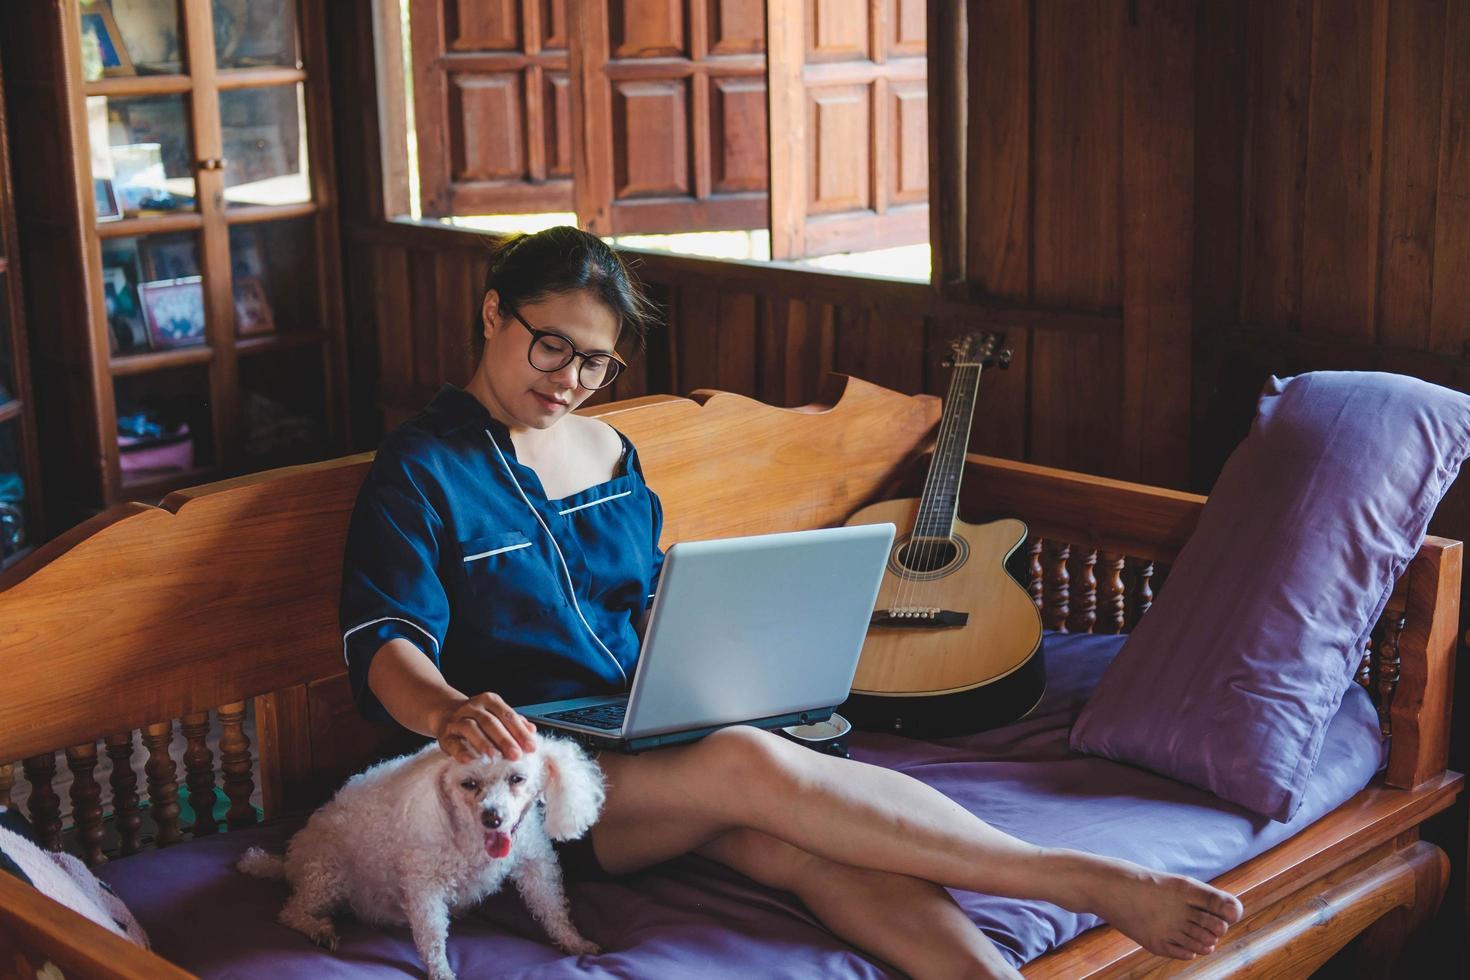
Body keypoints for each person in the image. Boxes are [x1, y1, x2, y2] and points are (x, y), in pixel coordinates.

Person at [340, 225, 1243, 979]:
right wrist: (450, 709)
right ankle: (1074, 879)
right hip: (532, 784)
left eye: (595, 363)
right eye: (551, 347)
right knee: (747, 763)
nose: (569, 379)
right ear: (493, 311)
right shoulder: (420, 469)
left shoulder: (613, 453)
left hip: (646, 736)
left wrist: (726, 662)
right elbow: (389, 639)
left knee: (802, 845)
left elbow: (650, 600)